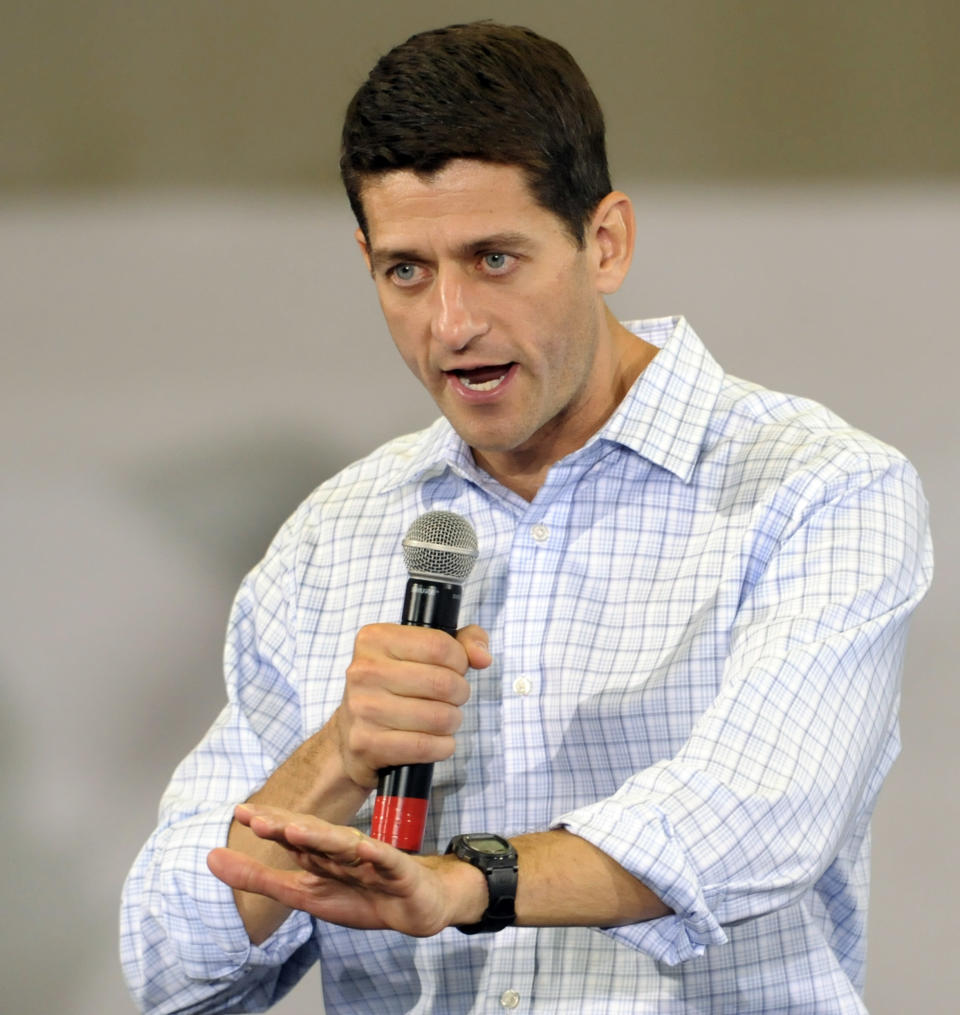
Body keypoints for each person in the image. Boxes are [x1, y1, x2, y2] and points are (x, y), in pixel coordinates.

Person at [120, 21, 933, 1015]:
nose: (451, 323)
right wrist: (337, 757)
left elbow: (762, 813)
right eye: (405, 270)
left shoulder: (817, 487)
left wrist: (470, 883)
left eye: (493, 258)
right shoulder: (332, 543)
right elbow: (173, 968)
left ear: (606, 242)